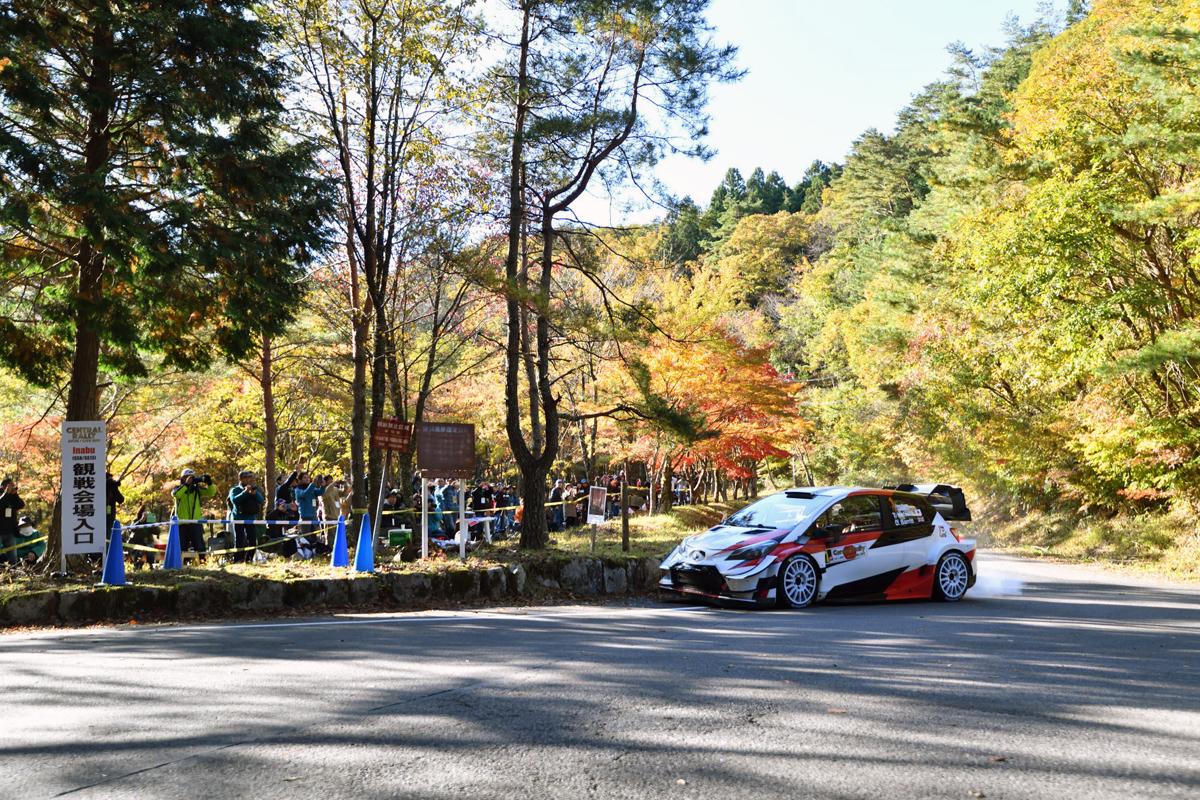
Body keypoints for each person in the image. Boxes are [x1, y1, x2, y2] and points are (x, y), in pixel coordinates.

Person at [171, 469, 216, 557]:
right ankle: (182, 565)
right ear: (182, 478)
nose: (190, 479)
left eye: (192, 477)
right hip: (182, 523)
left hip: (196, 522)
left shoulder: (197, 489)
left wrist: (210, 483)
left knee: (199, 545)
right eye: (187, 477)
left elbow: (211, 492)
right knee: (182, 546)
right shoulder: (177, 489)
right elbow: (176, 495)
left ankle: (202, 563)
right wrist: (186, 485)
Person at [228, 471, 265, 563]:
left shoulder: (254, 489)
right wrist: (244, 492)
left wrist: (254, 493)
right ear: (241, 479)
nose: (249, 479)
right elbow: (235, 500)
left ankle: (249, 560)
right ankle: (238, 560)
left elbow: (261, 500)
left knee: (252, 540)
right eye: (246, 478)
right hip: (238, 519)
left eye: (250, 477)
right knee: (239, 540)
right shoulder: (235, 489)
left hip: (251, 519)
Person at [0, 478, 26, 566]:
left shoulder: (12, 497)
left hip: (10, 532)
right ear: (3, 486)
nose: (12, 487)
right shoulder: (2, 496)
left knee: (13, 557)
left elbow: (21, 505)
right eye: (10, 485)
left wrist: (15, 495)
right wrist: (6, 493)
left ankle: (13, 573)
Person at [104, 471, 124, 536]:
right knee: (109, 529)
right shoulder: (112, 486)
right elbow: (121, 499)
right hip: (109, 512)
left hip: (101, 512)